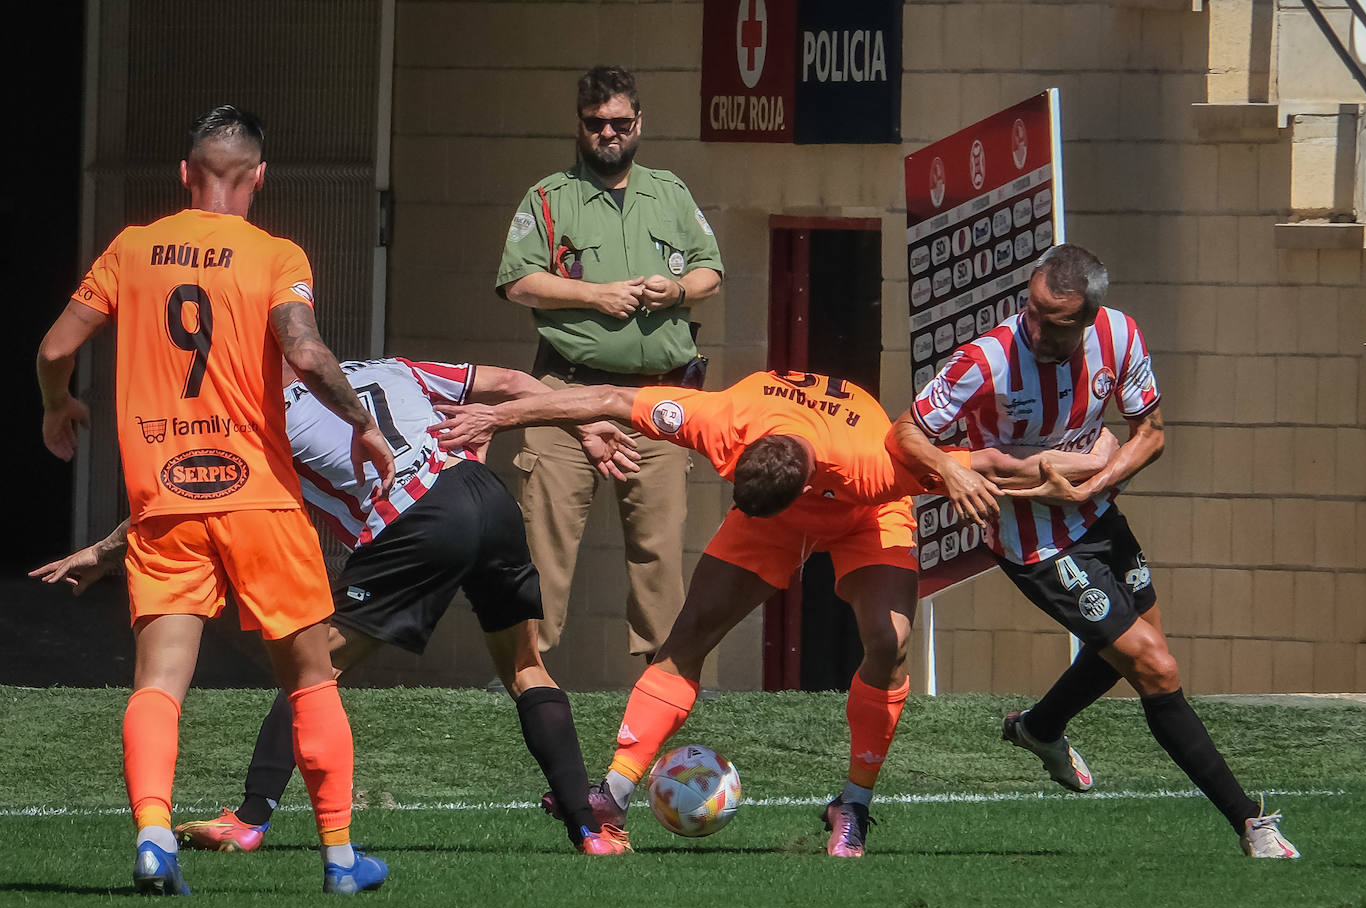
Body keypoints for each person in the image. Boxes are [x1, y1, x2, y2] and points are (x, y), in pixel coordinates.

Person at [32, 356, 640, 857]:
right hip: (487, 496)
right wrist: (581, 425)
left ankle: (248, 820)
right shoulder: (389, 368)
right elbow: (510, 382)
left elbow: (183, 492)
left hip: (418, 515)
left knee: (311, 668)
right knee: (525, 667)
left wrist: (105, 551)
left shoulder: (260, 421)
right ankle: (591, 830)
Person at [36, 106, 398, 896]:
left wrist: (55, 404)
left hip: (165, 499)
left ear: (184, 174)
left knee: (158, 682)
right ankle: (340, 859)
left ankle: (155, 841)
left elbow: (56, 347)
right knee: (310, 678)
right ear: (258, 177)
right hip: (260, 499)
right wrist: (363, 425)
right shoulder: (275, 254)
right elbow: (303, 349)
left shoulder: (132, 249)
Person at [429, 369, 998, 856]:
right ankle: (615, 795)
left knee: (889, 641)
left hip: (865, 515)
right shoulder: (722, 419)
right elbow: (607, 399)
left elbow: (996, 462)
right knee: (690, 633)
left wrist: (1075, 474)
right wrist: (496, 418)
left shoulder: (872, 466)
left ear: (804, 483)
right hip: (775, 514)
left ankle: (852, 804)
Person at [886, 243, 1300, 859]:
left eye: (1052, 322)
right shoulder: (988, 359)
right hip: (1033, 542)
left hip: (1098, 515)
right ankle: (1249, 823)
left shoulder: (1121, 337)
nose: (1033, 326)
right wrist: (952, 472)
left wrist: (1094, 482)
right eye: (1030, 309)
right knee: (1155, 665)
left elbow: (1151, 434)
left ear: (1087, 320)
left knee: (1125, 657)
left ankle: (1040, 727)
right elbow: (905, 431)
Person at [496, 64, 724, 659]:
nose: (608, 133)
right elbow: (518, 282)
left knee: (659, 554)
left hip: (657, 400)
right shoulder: (549, 198)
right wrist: (593, 294)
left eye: (620, 122)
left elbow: (710, 271)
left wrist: (676, 292)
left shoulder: (670, 194)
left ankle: (663, 686)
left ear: (639, 123)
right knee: (543, 547)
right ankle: (527, 676)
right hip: (566, 393)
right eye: (596, 123)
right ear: (580, 125)